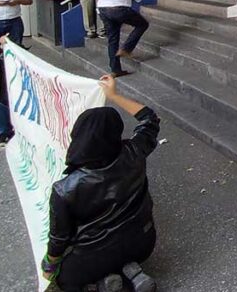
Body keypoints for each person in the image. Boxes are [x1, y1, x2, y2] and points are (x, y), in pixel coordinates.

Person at [41, 75, 159, 292]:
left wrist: (50, 265)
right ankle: (130, 271)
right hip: (143, 242)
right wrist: (113, 95)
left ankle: (103, 283)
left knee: (63, 280)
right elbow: (150, 119)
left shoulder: (64, 188)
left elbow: (59, 239)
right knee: (116, 254)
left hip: (93, 256)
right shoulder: (135, 153)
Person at [97, 0, 148, 78]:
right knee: (142, 24)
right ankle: (126, 49)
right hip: (118, 8)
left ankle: (116, 70)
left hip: (103, 8)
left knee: (112, 39)